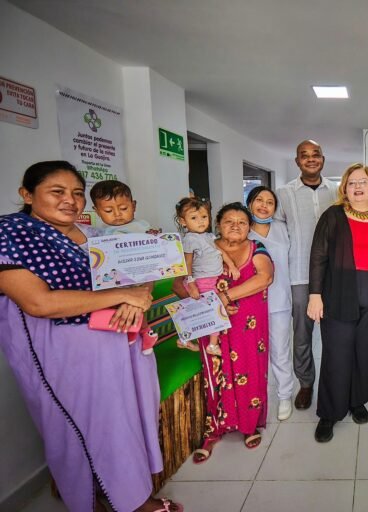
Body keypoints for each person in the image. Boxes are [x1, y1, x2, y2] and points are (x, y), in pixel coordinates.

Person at [0, 161, 182, 512]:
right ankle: (90, 501)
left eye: (77, 193)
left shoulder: (95, 236)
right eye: (57, 191)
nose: (70, 200)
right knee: (76, 431)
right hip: (61, 353)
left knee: (122, 425)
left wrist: (139, 294)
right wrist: (121, 296)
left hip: (116, 344)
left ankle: (133, 498)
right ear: (27, 194)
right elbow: (38, 302)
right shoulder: (12, 232)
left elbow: (140, 270)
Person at [308, 163, 368, 442]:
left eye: (363, 182)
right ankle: (330, 413)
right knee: (337, 356)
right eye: (352, 182)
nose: (358, 187)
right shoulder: (332, 215)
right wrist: (315, 295)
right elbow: (318, 256)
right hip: (338, 295)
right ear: (344, 188)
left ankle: (357, 401)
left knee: (367, 354)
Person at [184, 203, 274, 463]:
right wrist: (193, 292)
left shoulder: (257, 248)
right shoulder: (203, 248)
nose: (236, 226)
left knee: (249, 371)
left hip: (247, 326)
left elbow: (264, 277)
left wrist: (224, 296)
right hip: (211, 325)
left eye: (242, 222)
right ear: (217, 224)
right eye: (228, 221)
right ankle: (214, 430)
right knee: (214, 374)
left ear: (249, 227)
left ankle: (248, 425)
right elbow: (183, 280)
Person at [275, 140, 338, 410]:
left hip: (335, 275)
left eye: (316, 155)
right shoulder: (283, 193)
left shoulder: (337, 191)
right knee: (302, 333)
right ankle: (306, 383)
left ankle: (335, 380)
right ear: (297, 161)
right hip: (299, 274)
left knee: (336, 331)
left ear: (323, 159)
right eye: (305, 156)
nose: (311, 159)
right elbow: (276, 233)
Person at [90, 179, 161, 355]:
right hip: (114, 280)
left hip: (139, 277)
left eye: (123, 208)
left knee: (139, 303)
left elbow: (154, 247)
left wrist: (155, 238)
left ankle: (144, 332)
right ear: (97, 211)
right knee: (118, 307)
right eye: (108, 210)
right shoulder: (99, 234)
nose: (117, 214)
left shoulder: (141, 226)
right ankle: (132, 331)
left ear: (134, 205)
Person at [247, 186, 294, 421]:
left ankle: (285, 394)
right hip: (248, 302)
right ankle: (252, 396)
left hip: (279, 299)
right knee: (250, 352)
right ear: (249, 204)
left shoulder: (283, 229)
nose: (264, 206)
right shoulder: (241, 231)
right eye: (259, 200)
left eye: (269, 202)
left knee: (280, 350)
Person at [175, 197, 239, 356]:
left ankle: (185, 339)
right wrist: (191, 283)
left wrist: (231, 265)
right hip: (202, 281)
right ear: (183, 222)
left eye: (204, 217)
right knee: (214, 311)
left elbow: (220, 252)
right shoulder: (190, 239)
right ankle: (211, 344)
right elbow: (187, 263)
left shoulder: (209, 236)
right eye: (194, 218)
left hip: (211, 280)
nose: (201, 221)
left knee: (203, 311)